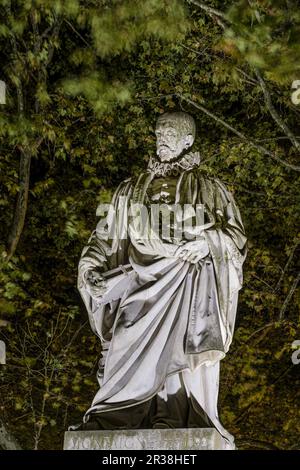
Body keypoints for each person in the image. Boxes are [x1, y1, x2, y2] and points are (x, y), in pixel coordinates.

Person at [76, 112, 247, 449]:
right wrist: (91, 268)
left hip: (187, 281)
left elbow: (235, 237)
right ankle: (117, 413)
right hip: (139, 283)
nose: (162, 138)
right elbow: (105, 237)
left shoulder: (209, 189)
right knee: (125, 334)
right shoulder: (131, 189)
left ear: (188, 141)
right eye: (158, 133)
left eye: (170, 132)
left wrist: (206, 243)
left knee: (180, 350)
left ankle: (174, 412)